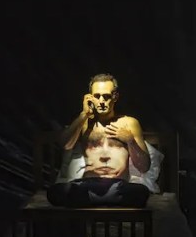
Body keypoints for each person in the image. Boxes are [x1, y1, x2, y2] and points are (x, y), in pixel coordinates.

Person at [48, 73, 151, 208]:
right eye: (97, 96)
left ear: (115, 97)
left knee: (141, 193)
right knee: (54, 192)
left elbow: (144, 167)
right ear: (90, 98)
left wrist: (130, 140)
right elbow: (65, 145)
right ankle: (103, 200)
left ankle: (96, 200)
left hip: (117, 185)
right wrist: (84, 115)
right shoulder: (84, 123)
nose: (101, 101)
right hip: (88, 184)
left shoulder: (129, 123)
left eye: (106, 96)